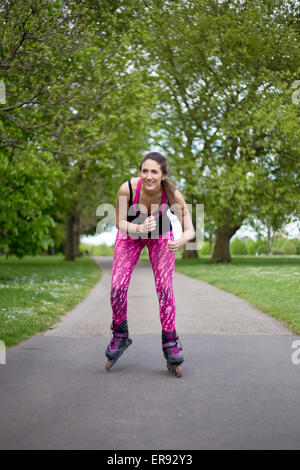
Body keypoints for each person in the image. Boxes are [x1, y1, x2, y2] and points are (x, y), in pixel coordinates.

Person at [105, 152, 195, 377]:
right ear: (140, 172)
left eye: (154, 171)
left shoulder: (172, 193)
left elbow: (190, 229)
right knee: (117, 286)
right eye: (144, 171)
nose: (148, 176)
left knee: (164, 288)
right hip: (131, 233)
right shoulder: (128, 189)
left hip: (161, 233)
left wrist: (180, 241)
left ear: (163, 175)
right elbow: (119, 221)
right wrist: (139, 228)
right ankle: (120, 333)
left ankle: (170, 341)